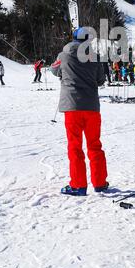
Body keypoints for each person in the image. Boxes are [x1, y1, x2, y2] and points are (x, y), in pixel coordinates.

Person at [51, 27, 108, 197]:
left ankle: (78, 185)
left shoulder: (64, 54)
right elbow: (100, 80)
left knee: (75, 147)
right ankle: (99, 183)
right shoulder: (95, 56)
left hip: (72, 107)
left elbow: (54, 70)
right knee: (95, 145)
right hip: (91, 107)